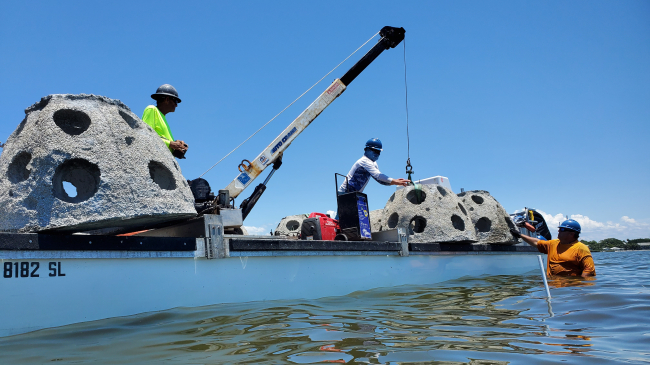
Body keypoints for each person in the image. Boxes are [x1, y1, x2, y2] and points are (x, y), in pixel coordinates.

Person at [511, 219, 596, 277]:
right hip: (553, 284)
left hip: (570, 287)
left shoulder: (581, 248)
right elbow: (536, 242)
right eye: (559, 229)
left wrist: (579, 290)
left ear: (572, 234)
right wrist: (519, 235)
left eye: (562, 229)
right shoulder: (553, 244)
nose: (559, 231)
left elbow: (589, 271)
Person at [338, 138, 410, 194]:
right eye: (374, 151)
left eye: (379, 152)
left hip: (355, 193)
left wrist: (394, 182)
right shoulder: (364, 161)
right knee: (344, 212)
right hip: (345, 191)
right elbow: (378, 175)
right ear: (366, 150)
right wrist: (395, 181)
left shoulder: (373, 163)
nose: (377, 154)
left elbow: (380, 180)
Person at [142, 84, 188, 158]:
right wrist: (170, 144)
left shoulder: (162, 117)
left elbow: (161, 138)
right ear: (167, 99)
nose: (176, 105)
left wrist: (177, 145)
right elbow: (146, 135)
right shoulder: (151, 109)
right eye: (175, 101)